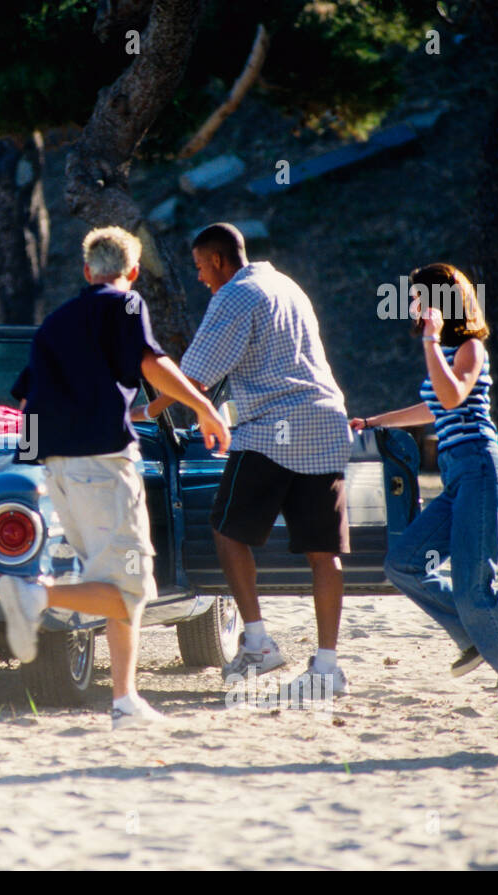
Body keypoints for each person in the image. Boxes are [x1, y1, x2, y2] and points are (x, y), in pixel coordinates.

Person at [0, 226, 230, 730]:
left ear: (86, 270)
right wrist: (205, 408)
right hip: (103, 465)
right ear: (132, 272)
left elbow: (25, 402)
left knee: (114, 583)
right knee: (132, 590)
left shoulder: (54, 323)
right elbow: (152, 364)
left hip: (59, 469)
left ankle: (125, 701)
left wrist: (34, 466)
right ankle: (36, 594)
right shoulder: (126, 306)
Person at [169, 223, 354, 698]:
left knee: (227, 530)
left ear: (217, 260)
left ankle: (257, 642)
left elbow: (195, 376)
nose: (199, 278)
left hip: (274, 430)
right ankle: (327, 667)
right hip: (326, 423)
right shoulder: (286, 285)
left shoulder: (235, 295)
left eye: (199, 268)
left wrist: (146, 407)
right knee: (324, 552)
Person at [351, 263, 498, 688]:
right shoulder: (447, 352)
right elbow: (434, 408)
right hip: (460, 475)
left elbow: (453, 395)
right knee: (404, 564)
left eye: (418, 296)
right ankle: (473, 637)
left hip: (481, 467)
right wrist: (376, 421)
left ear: (442, 302)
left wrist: (429, 340)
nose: (412, 304)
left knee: (474, 586)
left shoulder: (470, 348)